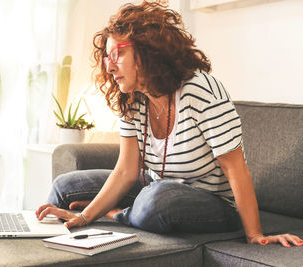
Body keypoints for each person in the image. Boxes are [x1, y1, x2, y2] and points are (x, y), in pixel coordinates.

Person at [36, 1, 303, 247]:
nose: (110, 66)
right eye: (107, 57)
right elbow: (126, 171)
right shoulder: (132, 99)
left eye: (116, 54)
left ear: (148, 50)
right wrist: (83, 218)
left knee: (156, 200)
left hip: (212, 204)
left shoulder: (201, 92)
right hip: (154, 187)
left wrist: (255, 235)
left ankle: (118, 214)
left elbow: (236, 169)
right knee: (65, 187)